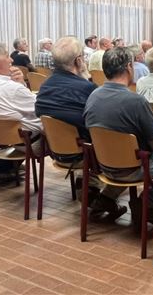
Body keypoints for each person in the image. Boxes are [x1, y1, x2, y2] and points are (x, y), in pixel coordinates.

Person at [84, 47, 153, 229]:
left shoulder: (93, 96)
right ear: (129, 67)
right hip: (133, 168)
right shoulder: (136, 101)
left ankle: (105, 198)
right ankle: (146, 203)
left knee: (126, 157)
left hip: (104, 166)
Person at [34, 36, 111, 215]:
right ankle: (95, 187)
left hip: (57, 151)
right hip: (85, 153)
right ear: (78, 60)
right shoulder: (86, 89)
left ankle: (86, 182)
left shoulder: (44, 86)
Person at [0, 43, 42, 179]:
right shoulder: (12, 88)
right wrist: (22, 85)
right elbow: (40, 108)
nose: (11, 60)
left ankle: (2, 168)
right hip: (27, 140)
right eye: (7, 56)